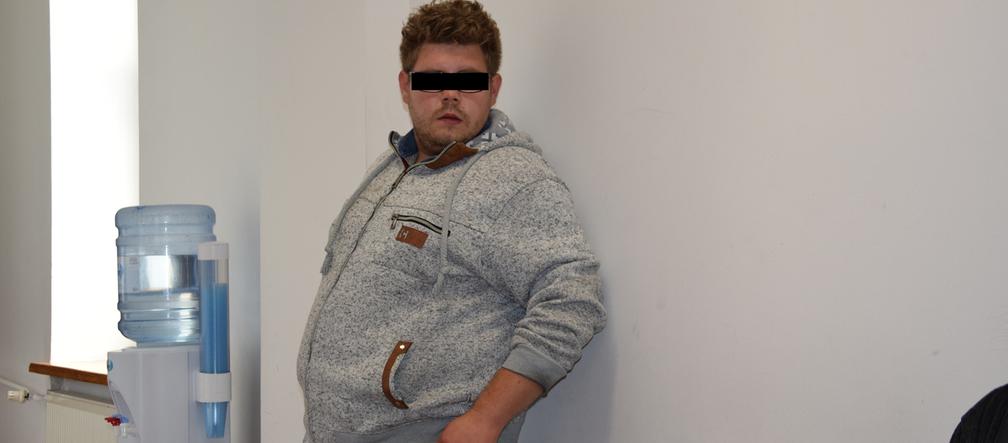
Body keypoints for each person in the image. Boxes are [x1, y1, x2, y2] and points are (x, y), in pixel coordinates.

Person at [297, 1, 606, 441]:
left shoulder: (514, 180)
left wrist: (486, 420)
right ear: (405, 86)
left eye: (468, 81)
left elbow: (573, 299)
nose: (450, 95)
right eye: (431, 80)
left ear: (493, 88)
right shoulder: (393, 166)